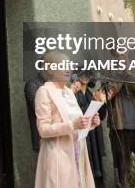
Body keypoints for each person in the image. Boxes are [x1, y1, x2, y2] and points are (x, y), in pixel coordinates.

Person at [34, 51, 100, 188]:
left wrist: (90, 123)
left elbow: (77, 124)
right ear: (50, 70)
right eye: (63, 65)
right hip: (58, 154)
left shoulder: (69, 92)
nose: (68, 69)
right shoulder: (44, 91)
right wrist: (72, 124)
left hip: (78, 150)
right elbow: (43, 130)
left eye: (69, 65)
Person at [75, 70, 108, 188]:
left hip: (94, 135)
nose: (85, 76)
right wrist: (93, 103)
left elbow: (102, 116)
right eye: (82, 73)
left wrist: (102, 102)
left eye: (88, 74)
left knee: (97, 166)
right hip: (82, 136)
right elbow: (76, 115)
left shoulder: (91, 94)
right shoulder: (72, 94)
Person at [25, 71, 48, 151]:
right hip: (42, 136)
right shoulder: (32, 84)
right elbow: (40, 109)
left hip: (57, 136)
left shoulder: (54, 83)